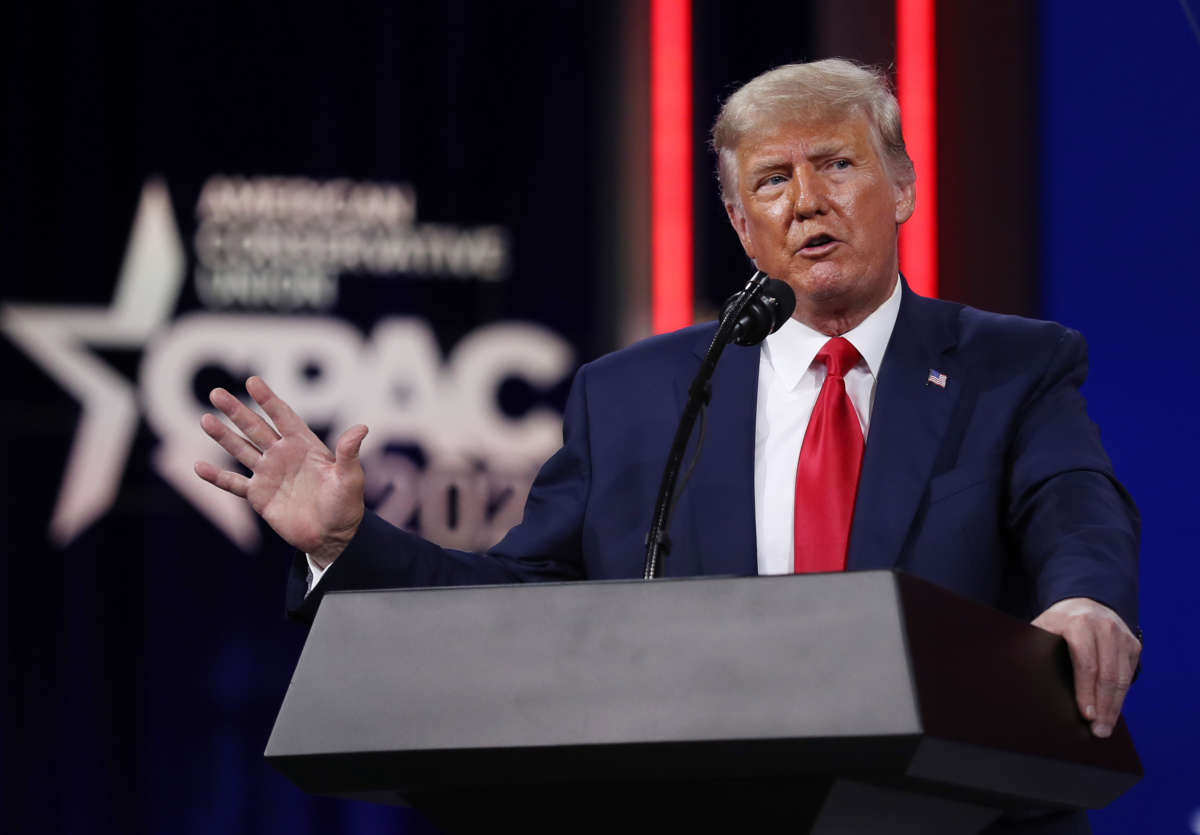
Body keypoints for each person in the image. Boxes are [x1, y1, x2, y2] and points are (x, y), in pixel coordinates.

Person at [196, 59, 1140, 834]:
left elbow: (1075, 500)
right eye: (773, 181)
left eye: (837, 166)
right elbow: (535, 605)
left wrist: (1083, 597)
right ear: (740, 223)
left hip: (952, 815)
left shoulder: (1009, 363)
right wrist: (345, 543)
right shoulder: (637, 395)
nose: (807, 201)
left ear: (902, 186)